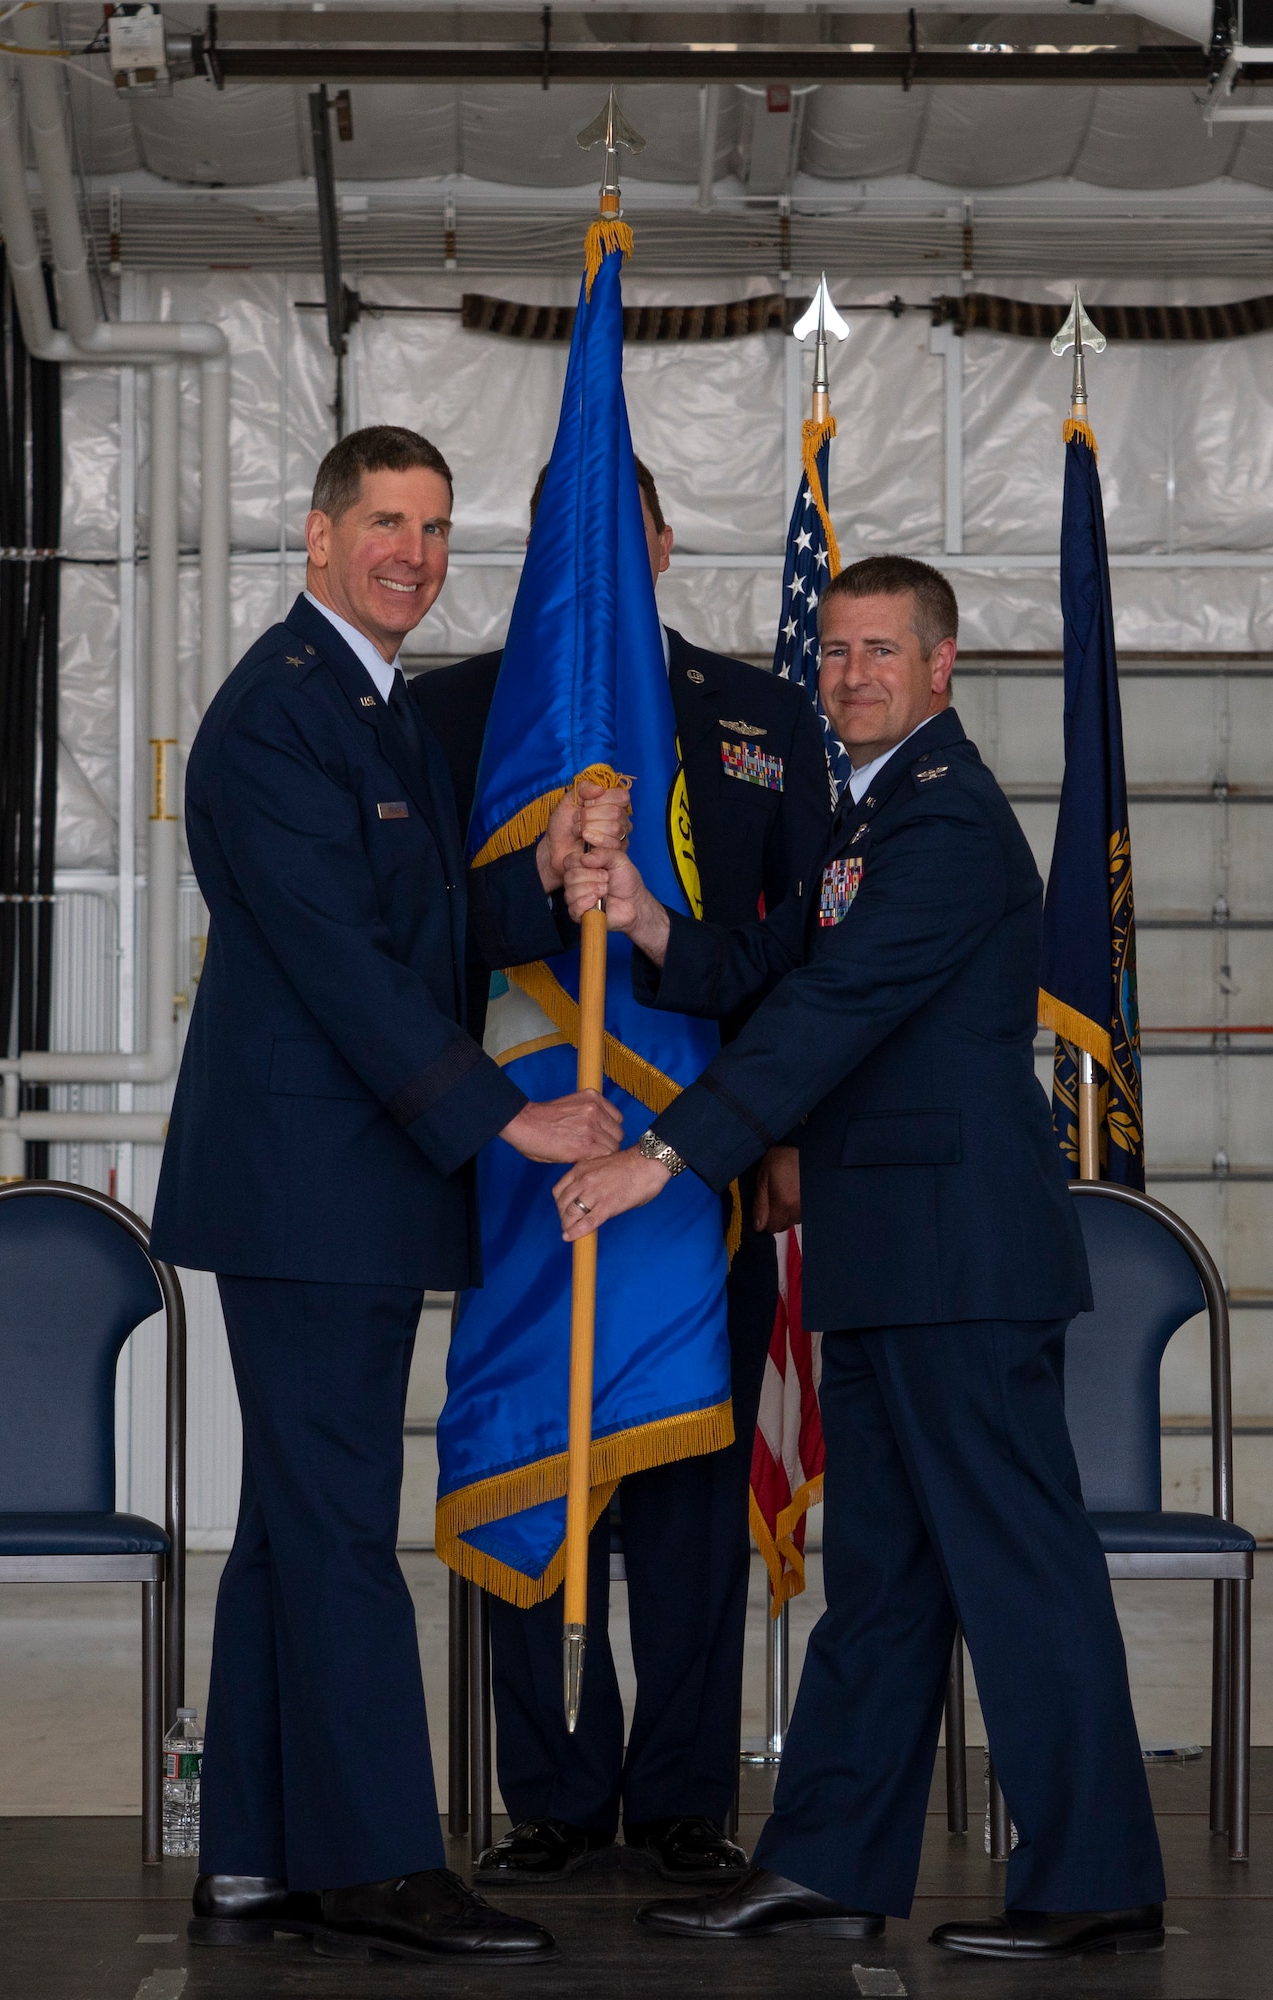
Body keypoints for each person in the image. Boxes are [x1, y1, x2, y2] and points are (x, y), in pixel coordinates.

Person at [552, 555, 1167, 1962]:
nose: (846, 677)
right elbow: (768, 967)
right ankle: (828, 1862)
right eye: (831, 653)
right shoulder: (864, 821)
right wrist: (644, 919)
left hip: (960, 1260)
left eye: (879, 652)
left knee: (1018, 1573)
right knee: (883, 1581)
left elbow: (829, 1013)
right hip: (892, 1258)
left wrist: (667, 1154)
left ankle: (1092, 1881)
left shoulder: (944, 826)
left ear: (942, 666)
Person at [149, 425, 626, 1966]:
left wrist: (539, 875)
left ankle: (256, 1856)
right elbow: (342, 970)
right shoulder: (278, 715)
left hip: (336, 1187)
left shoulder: (378, 705)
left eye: (432, 525)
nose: (412, 550)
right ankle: (375, 1866)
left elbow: (415, 920)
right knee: (344, 1529)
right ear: (316, 535)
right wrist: (509, 1121)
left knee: (298, 1531)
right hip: (304, 1189)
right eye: (385, 523)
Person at [412, 457, 833, 1889]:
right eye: (563, 533)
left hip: (691, 1158)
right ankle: (546, 1794)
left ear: (658, 538)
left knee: (687, 1497)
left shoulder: (757, 714)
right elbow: (411, 940)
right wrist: (530, 880)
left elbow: (793, 956)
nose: (596, 551)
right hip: (517, 1161)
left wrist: (770, 1135)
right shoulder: (455, 713)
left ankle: (678, 1798)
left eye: (619, 523)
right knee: (530, 1450)